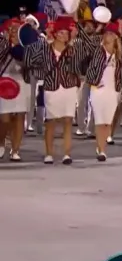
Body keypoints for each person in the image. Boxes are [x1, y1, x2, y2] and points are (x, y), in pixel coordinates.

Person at [23, 16, 82, 164]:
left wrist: (77, 32)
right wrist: (42, 43)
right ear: (55, 33)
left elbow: (81, 61)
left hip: (68, 87)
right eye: (61, 33)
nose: (64, 35)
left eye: (66, 33)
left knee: (68, 120)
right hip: (51, 87)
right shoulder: (45, 48)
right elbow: (29, 60)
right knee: (51, 122)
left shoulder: (72, 50)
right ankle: (49, 153)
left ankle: (66, 154)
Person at [84, 22, 122, 161]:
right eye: (106, 33)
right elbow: (86, 39)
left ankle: (101, 146)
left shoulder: (120, 55)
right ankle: (102, 150)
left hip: (113, 91)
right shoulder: (97, 50)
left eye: (111, 33)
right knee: (99, 119)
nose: (108, 36)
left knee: (107, 122)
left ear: (116, 37)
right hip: (98, 89)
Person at [0, 18, 31, 161]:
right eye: (11, 29)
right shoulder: (2, 44)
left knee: (19, 116)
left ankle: (15, 149)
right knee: (4, 119)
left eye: (18, 29)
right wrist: (7, 43)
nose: (14, 31)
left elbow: (31, 63)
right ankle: (1, 143)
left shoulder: (26, 46)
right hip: (3, 82)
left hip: (22, 82)